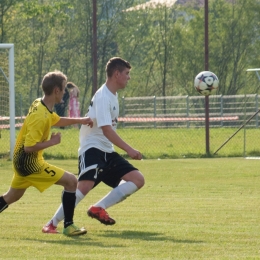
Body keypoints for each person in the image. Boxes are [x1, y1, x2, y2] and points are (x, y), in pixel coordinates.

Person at [42, 57, 145, 233]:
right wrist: (129, 149)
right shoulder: (103, 96)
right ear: (116, 74)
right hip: (92, 148)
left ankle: (98, 208)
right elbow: (107, 130)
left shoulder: (113, 95)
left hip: (106, 150)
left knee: (137, 179)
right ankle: (52, 223)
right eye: (126, 74)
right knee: (84, 186)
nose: (128, 77)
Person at [0, 70, 93, 236]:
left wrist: (81, 120)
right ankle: (69, 226)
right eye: (64, 89)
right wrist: (52, 142)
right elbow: (29, 147)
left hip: (21, 161)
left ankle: (68, 225)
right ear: (56, 90)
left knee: (11, 197)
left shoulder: (41, 105)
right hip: (29, 163)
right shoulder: (39, 115)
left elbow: (55, 120)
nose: (64, 93)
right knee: (72, 181)